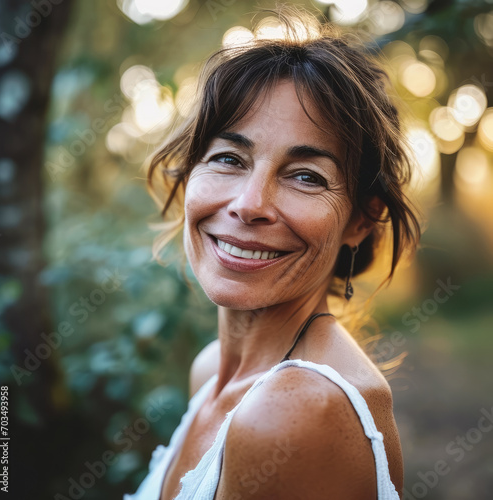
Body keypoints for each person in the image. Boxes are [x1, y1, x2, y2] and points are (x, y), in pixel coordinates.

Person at [124, 6, 420, 500]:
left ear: (359, 220)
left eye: (305, 176)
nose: (249, 204)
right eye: (228, 158)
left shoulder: (298, 411)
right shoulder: (210, 368)